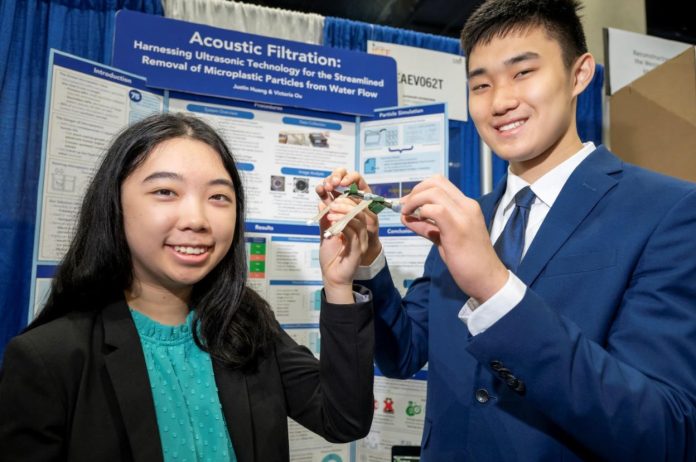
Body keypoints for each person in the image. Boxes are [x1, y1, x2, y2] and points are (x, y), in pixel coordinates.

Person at [318, 0, 696, 460]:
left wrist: (494, 288)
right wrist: (366, 260)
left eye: (522, 73)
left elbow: (663, 429)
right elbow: (405, 351)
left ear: (579, 75)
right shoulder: (467, 216)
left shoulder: (667, 210)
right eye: (480, 84)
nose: (500, 101)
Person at [0, 113, 374, 462]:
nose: (196, 219)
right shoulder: (48, 359)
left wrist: (338, 284)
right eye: (165, 192)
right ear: (114, 204)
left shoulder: (247, 322)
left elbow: (343, 420)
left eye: (218, 197)